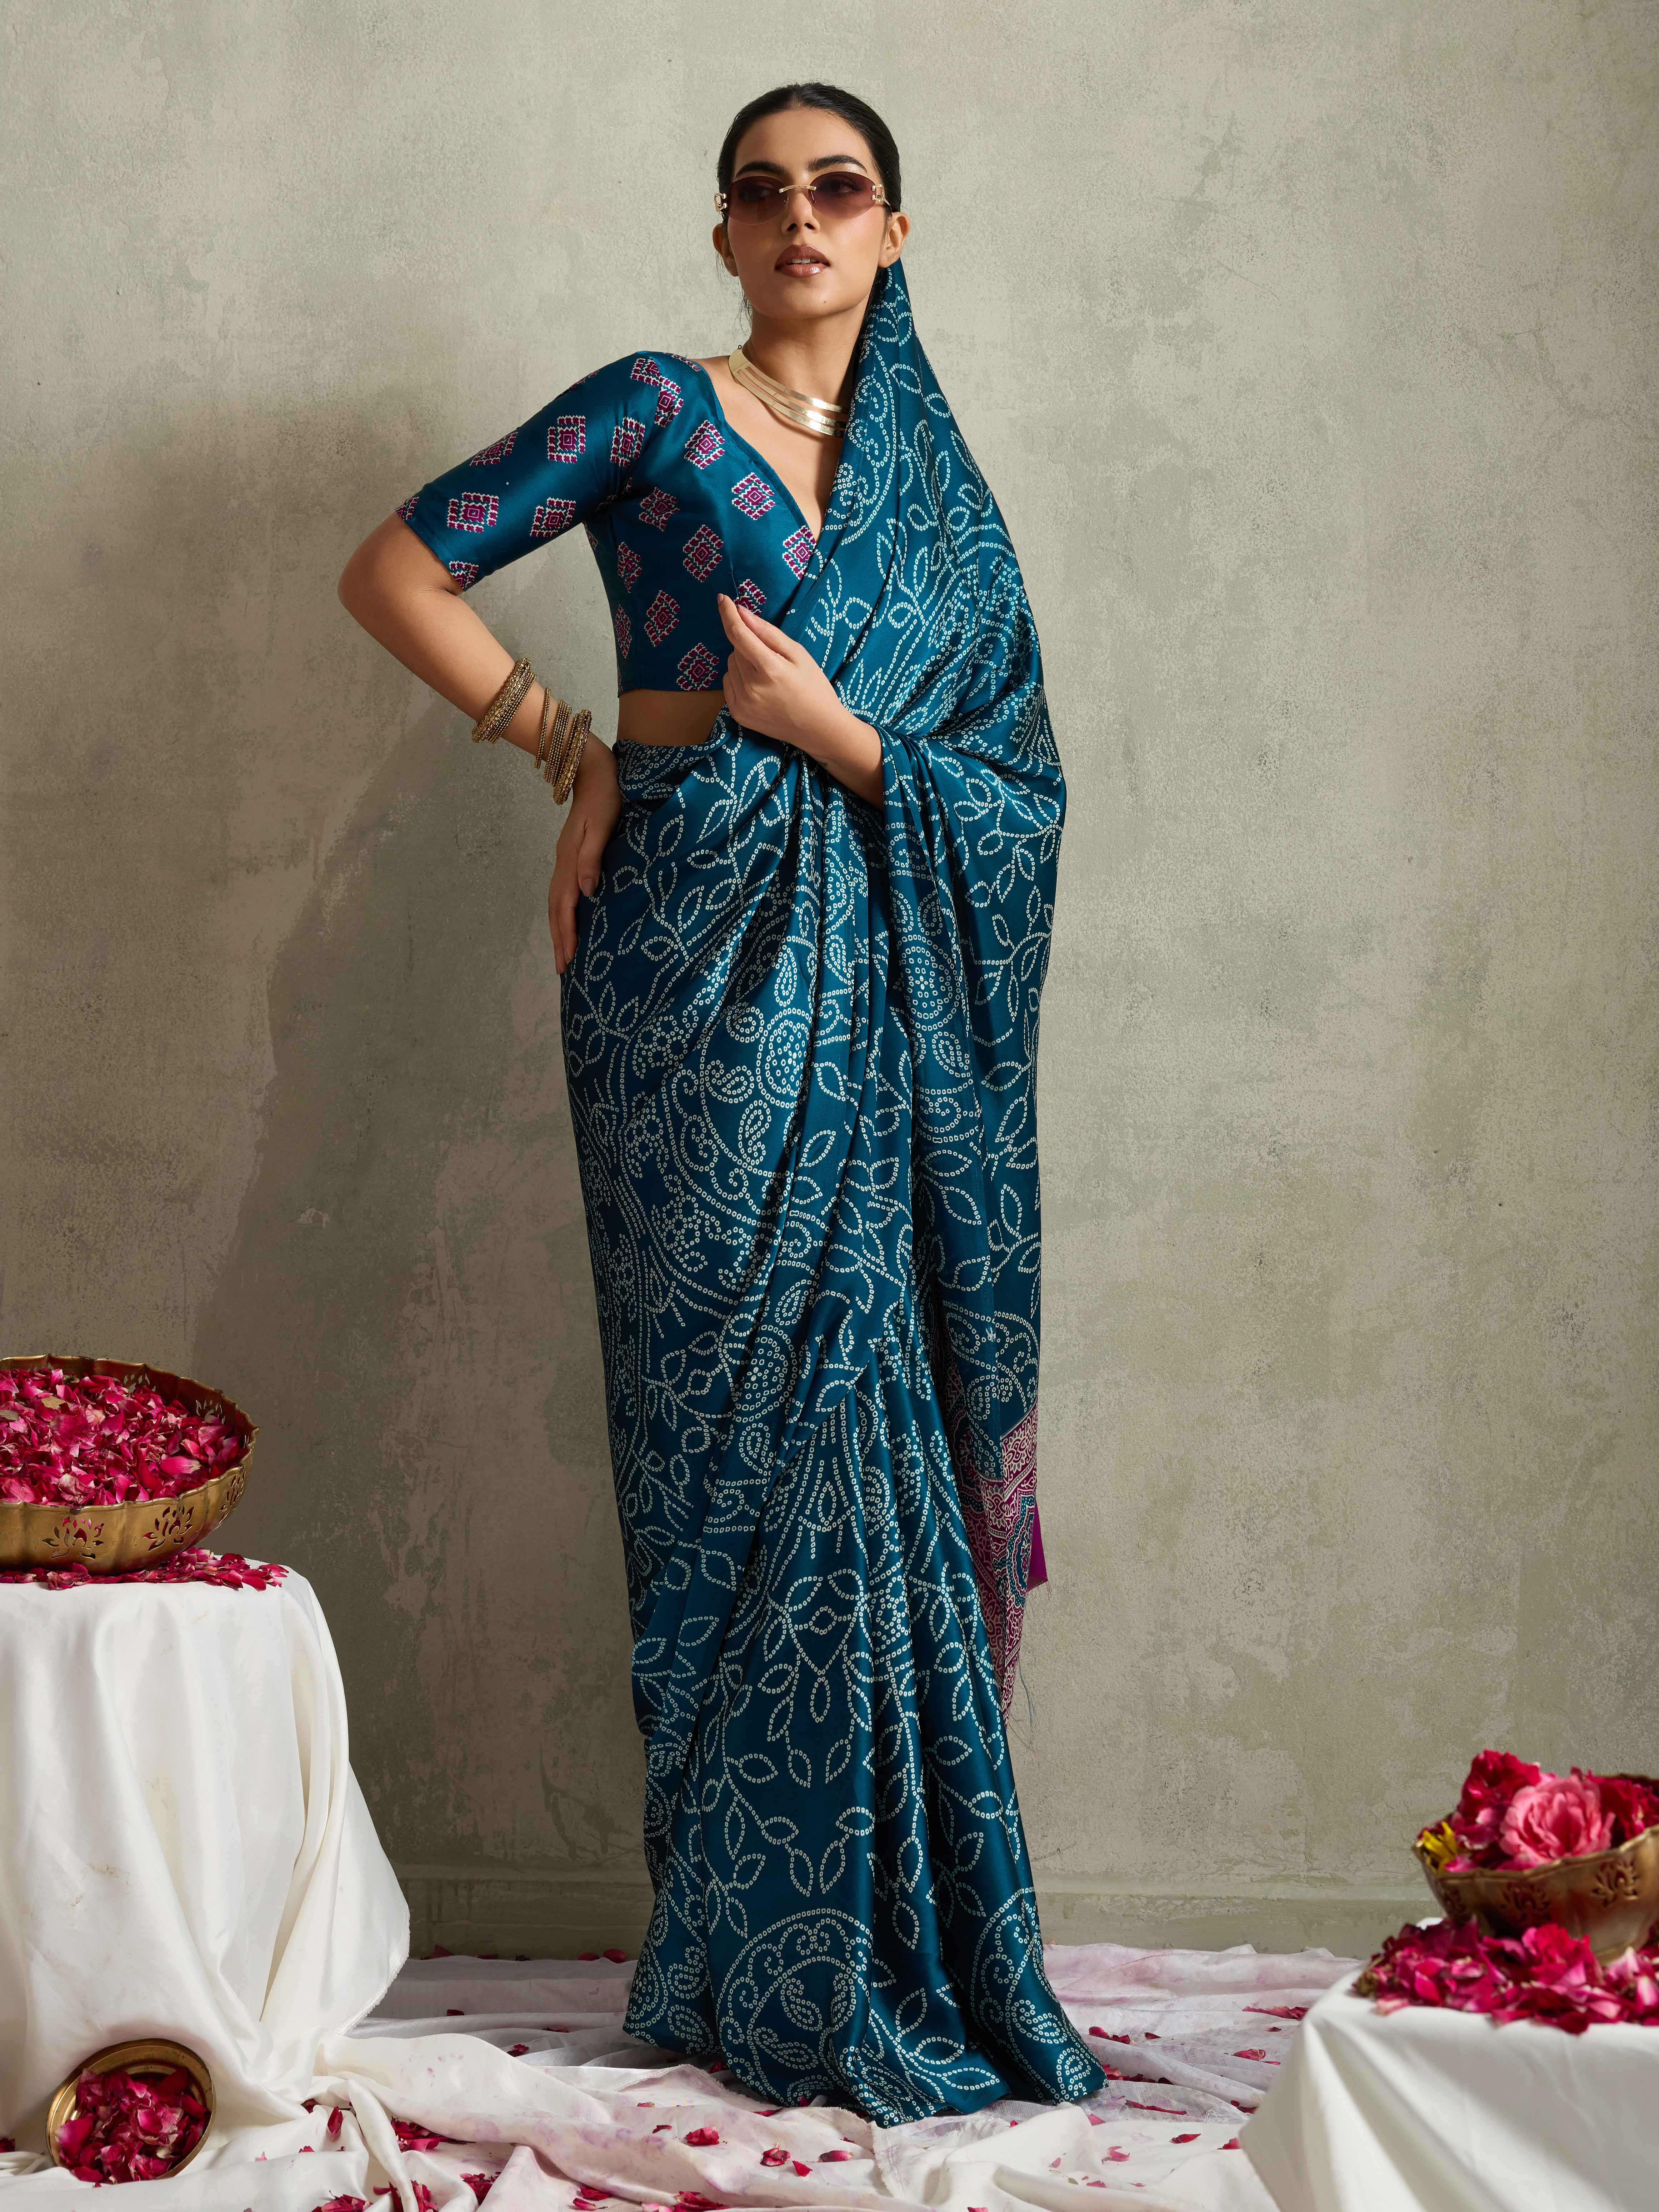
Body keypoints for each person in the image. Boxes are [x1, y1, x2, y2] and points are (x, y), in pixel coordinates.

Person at [338, 80, 1103, 2126]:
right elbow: (396, 569)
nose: (800, 218)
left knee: (862, 1411)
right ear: (723, 234)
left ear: (894, 229)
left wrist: (846, 739)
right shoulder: (655, 410)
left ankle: (879, 1948)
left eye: (838, 189)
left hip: (871, 941)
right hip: (689, 950)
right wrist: (568, 747)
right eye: (762, 193)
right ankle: (738, 1948)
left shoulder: (931, 489)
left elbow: (1019, 798)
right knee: (725, 1440)